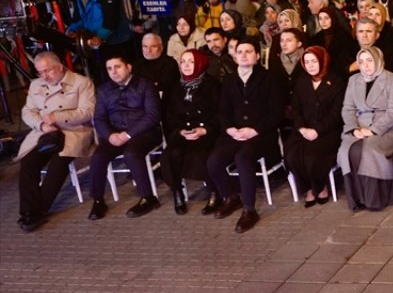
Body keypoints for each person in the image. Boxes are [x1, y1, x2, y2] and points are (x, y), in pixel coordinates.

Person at [207, 41, 285, 233]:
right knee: (214, 161)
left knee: (243, 157)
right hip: (236, 133)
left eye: (248, 52)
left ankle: (249, 210)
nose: (243, 55)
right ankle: (231, 197)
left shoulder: (270, 78)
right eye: (239, 52)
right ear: (235, 56)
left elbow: (276, 113)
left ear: (257, 56)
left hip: (262, 134)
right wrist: (230, 129)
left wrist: (255, 130)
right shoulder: (229, 80)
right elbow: (223, 111)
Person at [15, 52, 96, 232]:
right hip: (45, 132)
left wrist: (57, 117)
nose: (44, 76)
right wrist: (42, 125)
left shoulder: (81, 82)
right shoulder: (36, 84)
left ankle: (38, 210)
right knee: (28, 162)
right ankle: (29, 211)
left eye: (47, 71)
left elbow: (88, 112)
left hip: (74, 131)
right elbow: (27, 111)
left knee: (59, 163)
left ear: (59, 67)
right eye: (40, 72)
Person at [87, 55, 163, 220]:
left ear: (128, 67)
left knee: (131, 154)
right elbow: (99, 118)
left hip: (144, 132)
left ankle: (148, 198)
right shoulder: (104, 90)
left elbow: (152, 116)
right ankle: (98, 200)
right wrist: (109, 135)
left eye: (117, 67)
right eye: (109, 69)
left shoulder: (145, 85)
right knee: (98, 157)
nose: (113, 72)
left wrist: (128, 134)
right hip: (115, 133)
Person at [338, 46, 393, 212]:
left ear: (378, 60)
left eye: (369, 60)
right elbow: (347, 108)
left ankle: (375, 199)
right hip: (359, 126)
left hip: (385, 127)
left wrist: (373, 130)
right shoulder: (354, 80)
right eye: (361, 61)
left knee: (369, 149)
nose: (365, 65)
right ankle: (357, 199)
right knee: (347, 150)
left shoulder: (392, 79)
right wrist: (353, 129)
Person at [284, 46, 345, 208]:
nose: (310, 65)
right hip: (304, 129)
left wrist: (317, 130)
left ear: (323, 61)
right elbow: (295, 109)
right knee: (292, 154)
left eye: (314, 61)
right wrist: (301, 128)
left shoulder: (336, 81)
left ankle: (320, 186)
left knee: (312, 155)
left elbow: (336, 113)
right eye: (307, 62)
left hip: (328, 130)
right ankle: (308, 188)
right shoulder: (301, 81)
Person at [162, 50, 220, 215]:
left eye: (191, 62)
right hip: (183, 131)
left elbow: (219, 113)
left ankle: (215, 191)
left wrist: (204, 130)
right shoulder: (174, 87)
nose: (186, 66)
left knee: (203, 154)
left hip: (207, 131)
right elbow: (169, 115)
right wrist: (180, 131)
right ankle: (177, 191)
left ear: (200, 64)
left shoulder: (212, 85)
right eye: (183, 62)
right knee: (171, 153)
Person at [134, 32, 179, 97]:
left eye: (153, 46)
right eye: (145, 46)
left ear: (161, 47)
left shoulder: (170, 64)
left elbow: (167, 89)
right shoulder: (137, 65)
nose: (148, 50)